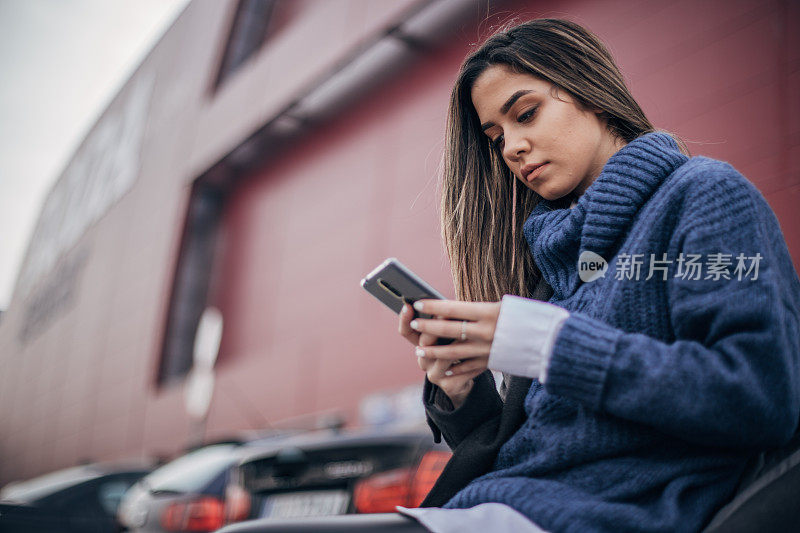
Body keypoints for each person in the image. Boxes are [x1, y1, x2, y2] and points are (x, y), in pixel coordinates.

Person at [390, 17, 800, 533]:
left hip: (600, 516)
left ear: (590, 91)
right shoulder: (554, 263)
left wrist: (547, 344)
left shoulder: (703, 195)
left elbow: (758, 397)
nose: (512, 147)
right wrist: (461, 391)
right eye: (497, 137)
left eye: (526, 114)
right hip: (493, 508)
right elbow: (534, 447)